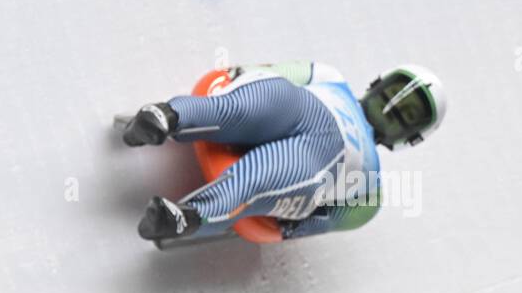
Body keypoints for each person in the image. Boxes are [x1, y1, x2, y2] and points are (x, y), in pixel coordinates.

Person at [121, 61, 447, 242]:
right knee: (243, 107)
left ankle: (187, 215)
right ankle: (168, 117)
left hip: (326, 158)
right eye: (391, 96)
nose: (390, 109)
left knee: (262, 178)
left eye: (403, 116)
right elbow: (275, 75)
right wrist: (241, 74)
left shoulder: (370, 189)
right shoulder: (330, 77)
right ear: (377, 84)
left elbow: (322, 222)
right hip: (301, 107)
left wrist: (288, 226)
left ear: (410, 136)